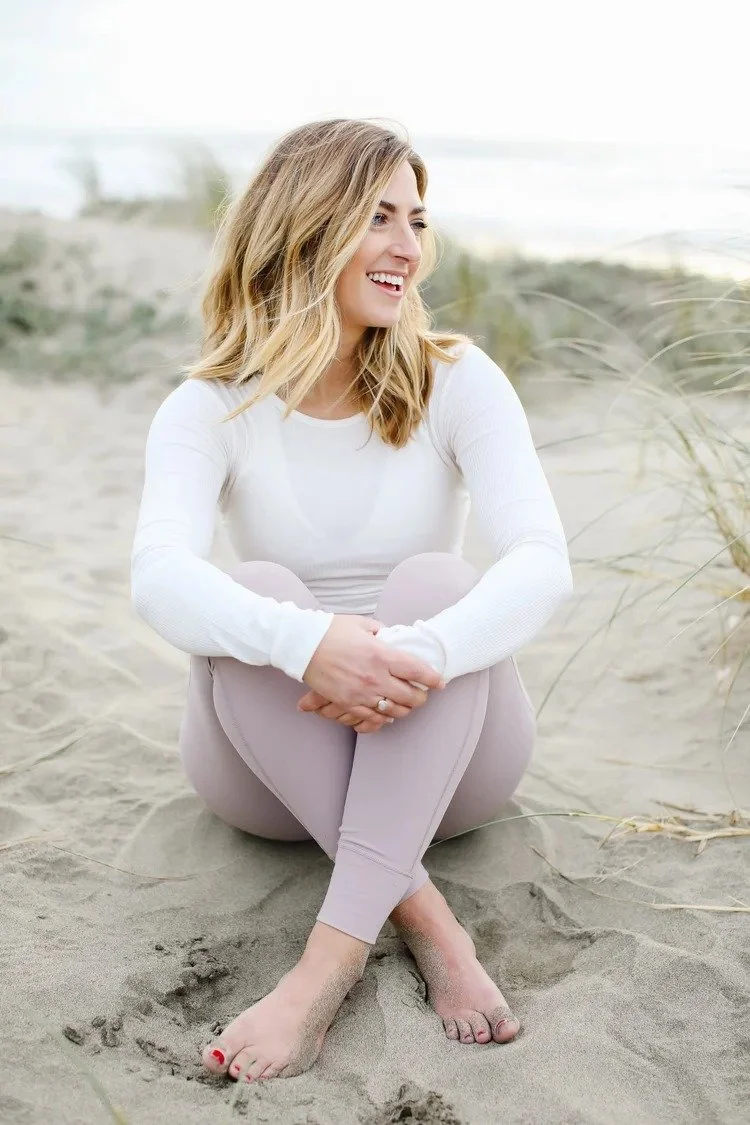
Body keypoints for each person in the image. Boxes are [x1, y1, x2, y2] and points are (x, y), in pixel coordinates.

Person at [130, 118, 573, 1086]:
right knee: (250, 593)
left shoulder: (456, 379)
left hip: (453, 765)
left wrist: (424, 651)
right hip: (268, 775)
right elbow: (157, 574)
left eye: (418, 220)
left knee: (438, 586)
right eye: (379, 217)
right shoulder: (209, 407)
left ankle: (327, 966)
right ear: (306, 222)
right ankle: (423, 915)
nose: (410, 248)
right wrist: (308, 643)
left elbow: (544, 561)